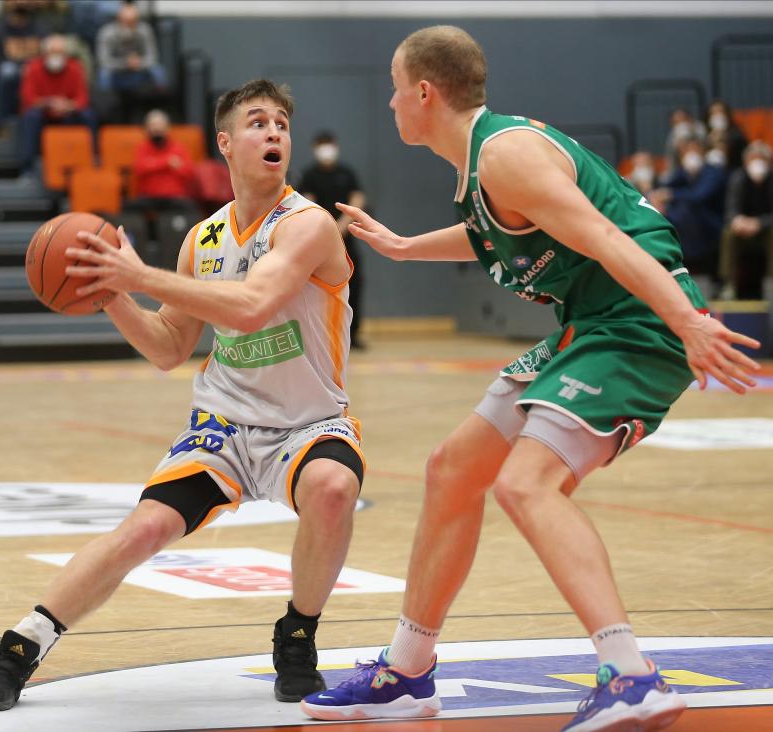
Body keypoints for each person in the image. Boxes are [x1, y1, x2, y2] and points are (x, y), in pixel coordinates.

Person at [301, 25, 760, 732]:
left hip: (636, 320)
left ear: (423, 92)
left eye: (394, 89)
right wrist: (404, 247)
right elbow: (497, 234)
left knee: (526, 483)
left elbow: (606, 237)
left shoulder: (505, 154)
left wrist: (688, 320)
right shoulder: (483, 166)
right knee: (453, 469)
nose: (390, 103)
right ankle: (409, 668)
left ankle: (631, 675)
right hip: (590, 324)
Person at [0, 79, 365, 712]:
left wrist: (138, 274)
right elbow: (170, 347)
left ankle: (296, 635)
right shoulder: (202, 240)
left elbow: (254, 305)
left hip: (307, 424)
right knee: (144, 528)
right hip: (225, 422)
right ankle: (20, 647)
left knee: (334, 488)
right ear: (225, 143)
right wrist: (113, 294)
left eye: (282, 124)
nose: (275, 133)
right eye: (258, 122)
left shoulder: (307, 224)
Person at [299, 131, 368, 348]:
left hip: (347, 240)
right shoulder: (309, 175)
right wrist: (328, 228)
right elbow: (308, 203)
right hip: (319, 242)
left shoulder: (346, 173)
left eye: (329, 144)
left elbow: (357, 198)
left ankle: (353, 334)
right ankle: (323, 335)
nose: (326, 150)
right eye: (322, 145)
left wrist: (341, 226)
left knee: (354, 284)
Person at [17, 33, 96, 180]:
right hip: (44, 113)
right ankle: (27, 168)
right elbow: (28, 97)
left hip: (67, 112)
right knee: (31, 117)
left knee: (87, 115)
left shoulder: (75, 67)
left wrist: (69, 105)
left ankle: (90, 161)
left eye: (60, 52)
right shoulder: (33, 68)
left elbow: (83, 97)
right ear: (44, 54)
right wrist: (49, 103)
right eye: (53, 52)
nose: (56, 56)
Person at [651, 138, 728, 281]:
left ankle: (692, 264)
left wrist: (670, 194)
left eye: (694, 149)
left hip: (713, 221)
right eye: (686, 151)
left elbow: (698, 197)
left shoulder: (714, 172)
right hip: (690, 222)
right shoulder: (684, 172)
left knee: (685, 210)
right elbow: (665, 186)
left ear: (703, 152)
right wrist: (656, 195)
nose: (690, 154)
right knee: (667, 215)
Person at [718, 140, 773, 300]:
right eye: (753, 158)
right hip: (743, 230)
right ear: (746, 162)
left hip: (765, 229)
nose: (757, 163)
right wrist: (738, 221)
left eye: (761, 159)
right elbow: (730, 210)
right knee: (728, 234)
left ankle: (770, 283)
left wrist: (759, 223)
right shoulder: (738, 178)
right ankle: (728, 284)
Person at [94, 1, 165, 123]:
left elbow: (152, 57)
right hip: (116, 72)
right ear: (119, 19)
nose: (129, 25)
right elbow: (104, 61)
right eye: (126, 21)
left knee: (158, 71)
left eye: (133, 22)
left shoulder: (145, 30)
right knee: (103, 74)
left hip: (139, 70)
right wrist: (126, 63)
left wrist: (139, 62)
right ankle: (105, 115)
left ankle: (159, 111)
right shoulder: (107, 32)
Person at [126, 108, 197, 213]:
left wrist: (153, 163)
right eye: (153, 125)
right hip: (148, 197)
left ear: (168, 128)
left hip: (175, 197)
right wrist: (167, 162)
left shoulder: (179, 148)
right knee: (128, 209)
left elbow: (189, 173)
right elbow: (139, 170)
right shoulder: (142, 148)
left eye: (160, 125)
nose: (156, 128)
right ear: (146, 129)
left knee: (192, 209)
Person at [0, 0, 47, 138]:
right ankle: (6, 122)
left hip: (35, 67)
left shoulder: (39, 28)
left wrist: (31, 67)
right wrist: (21, 66)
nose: (20, 3)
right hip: (11, 66)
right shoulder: (0, 29)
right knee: (7, 72)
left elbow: (45, 55)